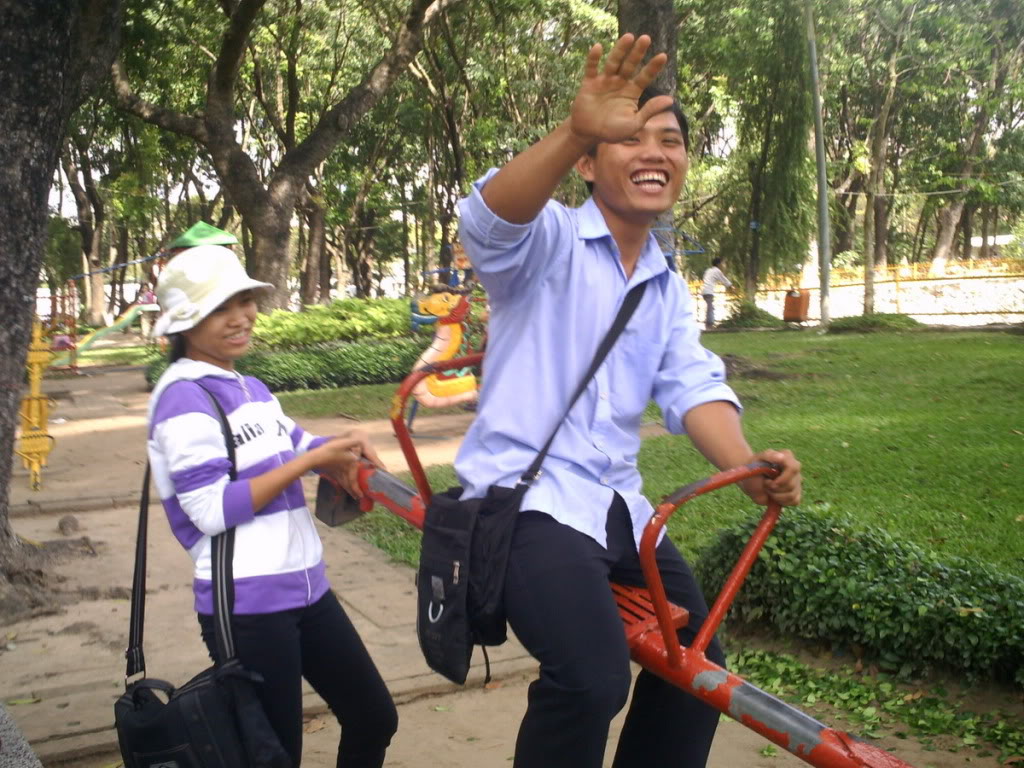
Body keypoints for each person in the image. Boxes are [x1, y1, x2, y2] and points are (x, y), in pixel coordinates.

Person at [453, 34, 802, 768]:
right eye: (627, 137)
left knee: (700, 670)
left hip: (617, 509)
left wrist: (749, 467)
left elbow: (693, 385)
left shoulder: (667, 287)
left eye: (670, 140)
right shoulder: (543, 243)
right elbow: (484, 222)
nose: (654, 152)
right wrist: (577, 125)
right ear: (587, 163)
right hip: (528, 504)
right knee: (590, 678)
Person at [147, 245, 398, 767]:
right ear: (185, 322)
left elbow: (299, 443)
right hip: (247, 608)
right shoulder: (182, 398)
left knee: (374, 716)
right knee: (274, 755)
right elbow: (212, 509)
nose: (241, 317)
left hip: (307, 588)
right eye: (221, 307)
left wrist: (342, 446)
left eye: (245, 300)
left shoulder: (250, 387)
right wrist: (309, 464)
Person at [701, 257, 732, 329]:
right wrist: (731, 286)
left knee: (710, 307)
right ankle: (709, 325)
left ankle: (709, 323)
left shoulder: (708, 270)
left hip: (705, 291)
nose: (724, 265)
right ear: (718, 264)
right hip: (708, 291)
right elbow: (724, 280)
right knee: (710, 308)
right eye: (723, 263)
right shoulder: (717, 271)